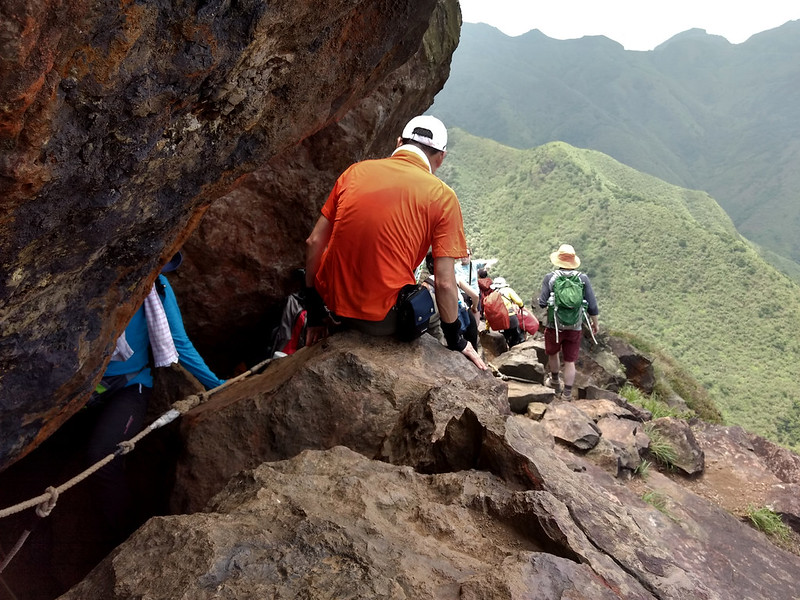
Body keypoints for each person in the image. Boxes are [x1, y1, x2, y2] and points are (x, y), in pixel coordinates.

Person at [303, 115, 485, 370]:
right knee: (433, 307)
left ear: (399, 142)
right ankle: (451, 358)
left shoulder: (355, 172)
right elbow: (445, 282)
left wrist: (315, 315)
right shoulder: (443, 197)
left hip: (331, 305)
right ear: (441, 157)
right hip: (380, 322)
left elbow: (313, 242)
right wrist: (457, 339)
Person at [87, 252, 225, 545]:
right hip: (81, 390)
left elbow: (179, 343)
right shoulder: (92, 284)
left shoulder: (157, 287)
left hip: (128, 386)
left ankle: (125, 539)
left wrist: (218, 385)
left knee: (102, 457)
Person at [537, 244, 599, 400]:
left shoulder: (550, 278)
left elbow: (542, 303)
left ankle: (555, 383)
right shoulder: (582, 279)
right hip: (575, 326)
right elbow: (592, 305)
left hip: (554, 326)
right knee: (570, 360)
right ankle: (567, 394)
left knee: (553, 354)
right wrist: (595, 323)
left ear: (558, 260)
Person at [490, 276, 526, 347]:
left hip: (499, 320)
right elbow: (519, 301)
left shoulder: (492, 294)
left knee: (507, 337)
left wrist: (487, 327)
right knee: (516, 336)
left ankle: (509, 347)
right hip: (510, 317)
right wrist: (521, 306)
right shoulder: (508, 290)